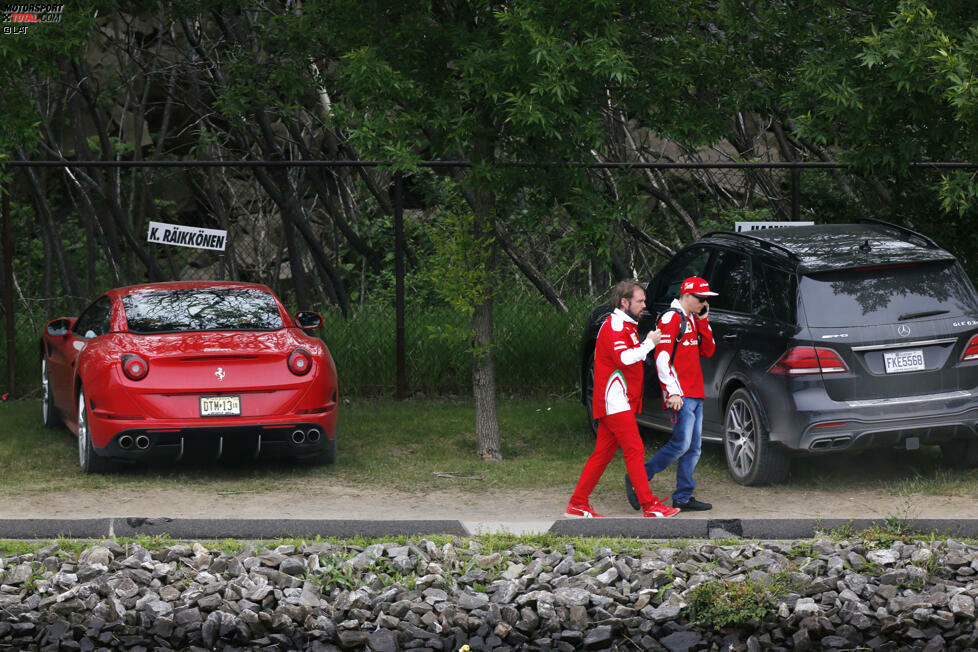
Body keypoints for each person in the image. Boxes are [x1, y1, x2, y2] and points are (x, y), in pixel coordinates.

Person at [566, 280, 681, 519]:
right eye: (640, 301)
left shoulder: (625, 324)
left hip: (616, 400)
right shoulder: (616, 325)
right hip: (614, 401)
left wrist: (646, 343)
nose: (644, 306)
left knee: (603, 454)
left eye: (644, 301)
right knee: (635, 449)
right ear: (624, 302)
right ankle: (649, 506)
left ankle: (577, 504)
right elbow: (625, 359)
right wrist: (649, 343)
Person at [626, 276, 716, 512]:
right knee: (681, 444)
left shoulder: (693, 319)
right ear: (686, 295)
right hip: (681, 395)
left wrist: (704, 322)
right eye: (700, 298)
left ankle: (683, 497)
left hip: (695, 393)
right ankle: (639, 478)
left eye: (706, 299)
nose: (704, 303)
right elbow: (662, 359)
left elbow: (708, 351)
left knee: (694, 447)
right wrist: (673, 392)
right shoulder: (671, 318)